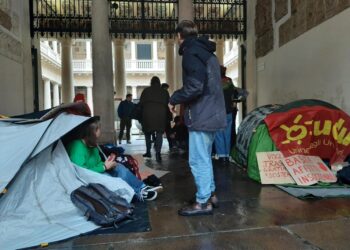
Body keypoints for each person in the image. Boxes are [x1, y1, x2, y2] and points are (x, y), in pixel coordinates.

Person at [168, 20, 226, 216]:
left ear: (179, 36)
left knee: (197, 160)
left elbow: (194, 87)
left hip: (202, 114)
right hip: (213, 113)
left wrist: (174, 98)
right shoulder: (208, 53)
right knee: (205, 158)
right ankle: (210, 195)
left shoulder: (191, 53)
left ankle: (202, 202)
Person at [65, 117, 159, 201]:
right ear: (93, 132)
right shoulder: (77, 147)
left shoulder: (92, 144)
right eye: (99, 129)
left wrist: (107, 163)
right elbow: (80, 173)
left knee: (119, 167)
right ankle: (134, 193)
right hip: (87, 179)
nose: (100, 132)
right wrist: (104, 167)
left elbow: (98, 162)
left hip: (97, 173)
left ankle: (141, 189)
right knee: (114, 181)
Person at [139, 76, 169, 163]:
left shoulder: (146, 91)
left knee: (147, 134)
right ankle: (158, 153)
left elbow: (141, 103)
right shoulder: (164, 91)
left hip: (147, 115)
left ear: (151, 82)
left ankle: (148, 152)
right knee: (159, 134)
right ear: (159, 82)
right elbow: (168, 102)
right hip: (161, 115)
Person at [161, 83, 173, 150]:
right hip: (166, 116)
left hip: (160, 116)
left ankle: (157, 147)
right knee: (168, 131)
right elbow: (169, 102)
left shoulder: (158, 93)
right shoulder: (165, 93)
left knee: (159, 132)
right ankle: (170, 145)